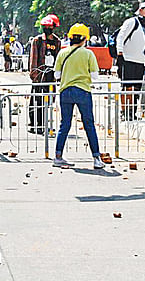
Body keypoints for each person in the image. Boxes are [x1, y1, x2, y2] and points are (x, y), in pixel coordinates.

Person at [53, 23, 104, 170]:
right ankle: (96, 158)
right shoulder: (88, 54)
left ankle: (58, 156)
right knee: (89, 124)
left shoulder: (62, 53)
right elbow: (95, 76)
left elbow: (57, 75)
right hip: (82, 91)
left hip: (65, 91)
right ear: (84, 39)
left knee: (65, 124)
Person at [118, 1, 145, 120]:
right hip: (127, 59)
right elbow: (121, 37)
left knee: (137, 88)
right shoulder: (131, 22)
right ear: (140, 10)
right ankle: (124, 112)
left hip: (140, 61)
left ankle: (132, 112)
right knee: (127, 87)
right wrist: (120, 53)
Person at [28, 14, 61, 134]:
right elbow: (33, 58)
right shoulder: (37, 40)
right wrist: (34, 74)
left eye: (50, 26)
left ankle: (43, 124)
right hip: (39, 74)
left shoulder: (57, 42)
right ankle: (33, 124)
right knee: (35, 100)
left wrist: (58, 75)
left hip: (50, 75)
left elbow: (58, 58)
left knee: (48, 100)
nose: (48, 29)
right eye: (45, 26)